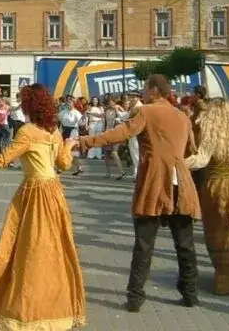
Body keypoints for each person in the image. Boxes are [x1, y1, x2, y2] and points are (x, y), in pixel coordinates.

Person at [0, 83, 86, 329]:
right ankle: (54, 306)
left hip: (35, 194)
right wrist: (68, 145)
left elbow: (1, 160)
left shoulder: (27, 131)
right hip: (54, 192)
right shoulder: (54, 131)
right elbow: (65, 165)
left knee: (26, 249)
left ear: (29, 106)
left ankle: (26, 308)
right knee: (55, 248)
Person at [80, 74, 200, 312]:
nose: (142, 94)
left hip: (155, 182)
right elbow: (191, 148)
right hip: (181, 183)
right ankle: (190, 294)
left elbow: (121, 133)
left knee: (144, 244)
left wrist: (86, 141)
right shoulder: (182, 116)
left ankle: (135, 298)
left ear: (154, 91)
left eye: (145, 90)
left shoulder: (147, 111)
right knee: (185, 244)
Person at [185, 98, 229, 295]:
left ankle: (226, 283)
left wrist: (176, 164)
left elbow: (200, 160)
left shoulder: (211, 137)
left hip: (215, 188)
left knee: (219, 235)